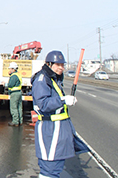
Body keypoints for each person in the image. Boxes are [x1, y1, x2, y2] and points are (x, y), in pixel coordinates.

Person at [31, 50, 89, 178]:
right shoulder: (42, 79)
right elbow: (43, 104)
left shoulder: (53, 78)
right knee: (49, 168)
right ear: (49, 64)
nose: (61, 68)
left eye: (62, 65)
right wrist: (63, 100)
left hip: (57, 129)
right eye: (58, 65)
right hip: (50, 130)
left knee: (55, 167)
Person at [6, 62, 23, 126]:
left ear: (13, 69)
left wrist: (6, 84)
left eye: (10, 69)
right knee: (19, 107)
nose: (9, 70)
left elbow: (10, 85)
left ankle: (15, 121)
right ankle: (20, 120)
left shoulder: (13, 76)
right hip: (19, 92)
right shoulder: (18, 74)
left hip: (14, 93)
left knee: (13, 107)